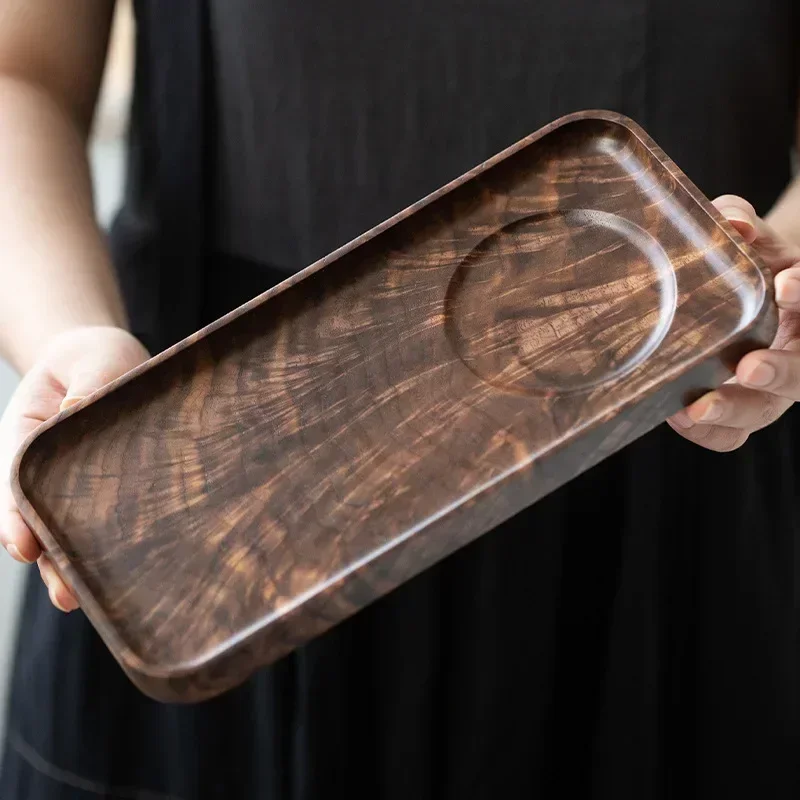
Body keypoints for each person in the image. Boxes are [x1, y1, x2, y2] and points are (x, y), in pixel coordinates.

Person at [0, 1, 798, 797]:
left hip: (675, 450)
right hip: (214, 477)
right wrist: (67, 336)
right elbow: (19, 72)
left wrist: (786, 272)